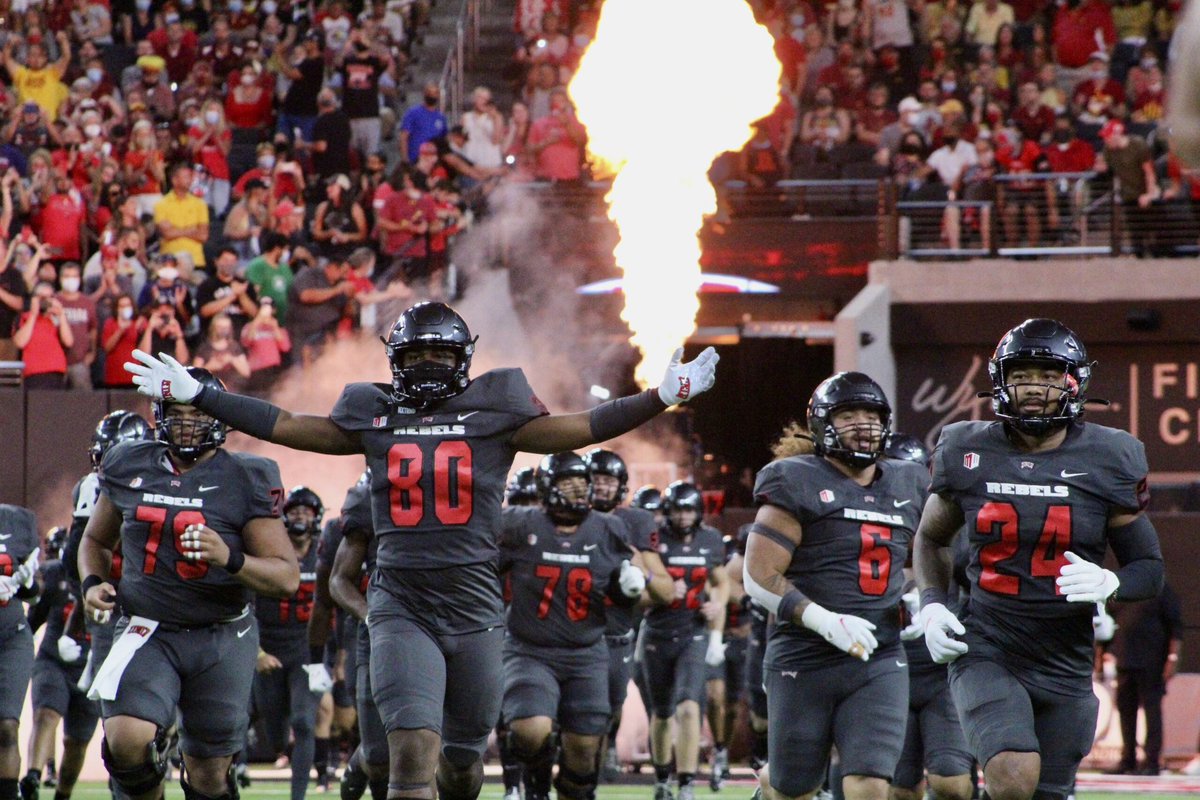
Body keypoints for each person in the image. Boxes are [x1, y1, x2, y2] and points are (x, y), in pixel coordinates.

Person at [124, 300, 718, 800]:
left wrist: (659, 396)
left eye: (440, 356)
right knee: (411, 752)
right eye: (415, 356)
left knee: (460, 764)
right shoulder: (374, 414)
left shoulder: (497, 410)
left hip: (475, 607)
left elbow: (583, 426)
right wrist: (203, 394)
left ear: (464, 361)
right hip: (402, 604)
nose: (428, 367)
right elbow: (285, 424)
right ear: (395, 362)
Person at [913, 318, 1165, 800]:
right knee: (1012, 775)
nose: (1032, 387)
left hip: (1065, 658)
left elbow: (1148, 569)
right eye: (1021, 375)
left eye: (1047, 376)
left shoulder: (1110, 457)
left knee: (1044, 793)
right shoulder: (967, 448)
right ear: (999, 381)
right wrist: (931, 603)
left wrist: (1110, 584)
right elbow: (930, 538)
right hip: (987, 644)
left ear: (1073, 383)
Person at [78, 367, 300, 800]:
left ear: (218, 415)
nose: (186, 422)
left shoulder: (247, 476)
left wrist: (230, 558)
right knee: (124, 743)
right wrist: (92, 582)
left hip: (220, 635)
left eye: (196, 411)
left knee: (209, 775)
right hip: (148, 629)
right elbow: (95, 539)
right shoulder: (128, 461)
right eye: (176, 412)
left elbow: (285, 576)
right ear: (159, 414)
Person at [742, 372, 925, 800]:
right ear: (824, 425)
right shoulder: (794, 478)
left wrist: (920, 598)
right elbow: (759, 574)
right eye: (848, 415)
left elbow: (926, 553)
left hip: (878, 656)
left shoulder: (909, 481)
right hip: (805, 656)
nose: (863, 424)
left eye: (871, 414)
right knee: (793, 788)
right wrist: (823, 620)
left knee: (870, 784)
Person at [497, 452, 647, 800]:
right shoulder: (520, 524)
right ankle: (535, 781)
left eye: (583, 483)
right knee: (530, 730)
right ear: (548, 487)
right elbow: (487, 571)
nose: (580, 491)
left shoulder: (608, 528)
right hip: (529, 649)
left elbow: (616, 592)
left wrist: (626, 588)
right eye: (570, 483)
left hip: (586, 652)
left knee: (582, 752)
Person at [884, 434, 973, 800]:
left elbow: (975, 581)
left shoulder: (949, 523)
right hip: (886, 670)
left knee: (951, 781)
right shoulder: (864, 517)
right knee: (898, 787)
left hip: (943, 674)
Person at [582, 448, 672, 783]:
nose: (601, 487)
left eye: (608, 480)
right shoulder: (563, 517)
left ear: (620, 485)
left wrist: (640, 576)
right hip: (569, 630)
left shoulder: (634, 522)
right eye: (595, 479)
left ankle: (603, 747)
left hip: (615, 630)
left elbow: (664, 592)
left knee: (609, 708)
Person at [641, 481, 729, 800]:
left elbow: (721, 582)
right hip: (657, 632)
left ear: (699, 512)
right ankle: (662, 779)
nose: (683, 516)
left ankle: (687, 783)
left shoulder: (711, 539)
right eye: (678, 509)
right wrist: (657, 591)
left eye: (689, 509)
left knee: (690, 707)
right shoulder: (653, 539)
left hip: (693, 632)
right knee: (662, 712)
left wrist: (718, 602)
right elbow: (639, 582)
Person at [253, 487, 325, 800]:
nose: (299, 516)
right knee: (275, 737)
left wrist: (334, 657)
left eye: (306, 512)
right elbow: (246, 605)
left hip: (306, 648)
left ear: (316, 518)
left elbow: (331, 609)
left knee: (304, 721)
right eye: (294, 511)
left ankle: (298, 796)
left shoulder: (324, 554)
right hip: (268, 646)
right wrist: (256, 651)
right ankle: (284, 747)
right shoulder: (270, 552)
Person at [326, 472, 387, 800]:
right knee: (378, 754)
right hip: (379, 632)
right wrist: (369, 614)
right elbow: (335, 582)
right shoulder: (369, 501)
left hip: (445, 625)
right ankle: (355, 772)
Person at [22, 542, 100, 800]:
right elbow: (34, 619)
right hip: (52, 660)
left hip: (92, 665)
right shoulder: (56, 574)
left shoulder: (111, 573)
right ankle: (32, 777)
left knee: (76, 741)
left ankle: (62, 794)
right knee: (46, 714)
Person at [1104, 582, 1183, 776]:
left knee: (1152, 711)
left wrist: (1172, 659)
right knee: (1126, 711)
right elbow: (1108, 622)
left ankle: (1152, 762)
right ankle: (1127, 759)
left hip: (1152, 662)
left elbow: (1176, 628)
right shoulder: (1120, 591)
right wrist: (1103, 652)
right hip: (1124, 660)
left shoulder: (1161, 589)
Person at [0, 505, 42, 800]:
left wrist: (26, 582)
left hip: (11, 634)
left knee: (6, 725)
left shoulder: (17, 519)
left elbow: (33, 592)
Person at [13, 281, 75, 389]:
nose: (46, 301)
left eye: (50, 297)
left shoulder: (56, 319)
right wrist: (33, 314)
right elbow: (20, 342)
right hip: (35, 372)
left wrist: (61, 315)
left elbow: (68, 342)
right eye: (42, 297)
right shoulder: (24, 317)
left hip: (57, 371)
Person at [154, 162, 211, 272]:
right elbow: (166, 234)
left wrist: (175, 230)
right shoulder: (161, 204)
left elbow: (203, 235)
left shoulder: (200, 204)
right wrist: (191, 230)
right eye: (185, 177)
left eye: (190, 177)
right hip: (170, 261)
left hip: (196, 260)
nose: (189, 180)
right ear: (174, 180)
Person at [55, 262, 97, 390]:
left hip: (80, 361)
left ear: (80, 279)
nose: (71, 280)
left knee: (83, 402)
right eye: (67, 276)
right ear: (61, 279)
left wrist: (92, 352)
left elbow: (93, 329)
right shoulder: (55, 300)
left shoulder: (87, 302)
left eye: (74, 276)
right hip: (57, 362)